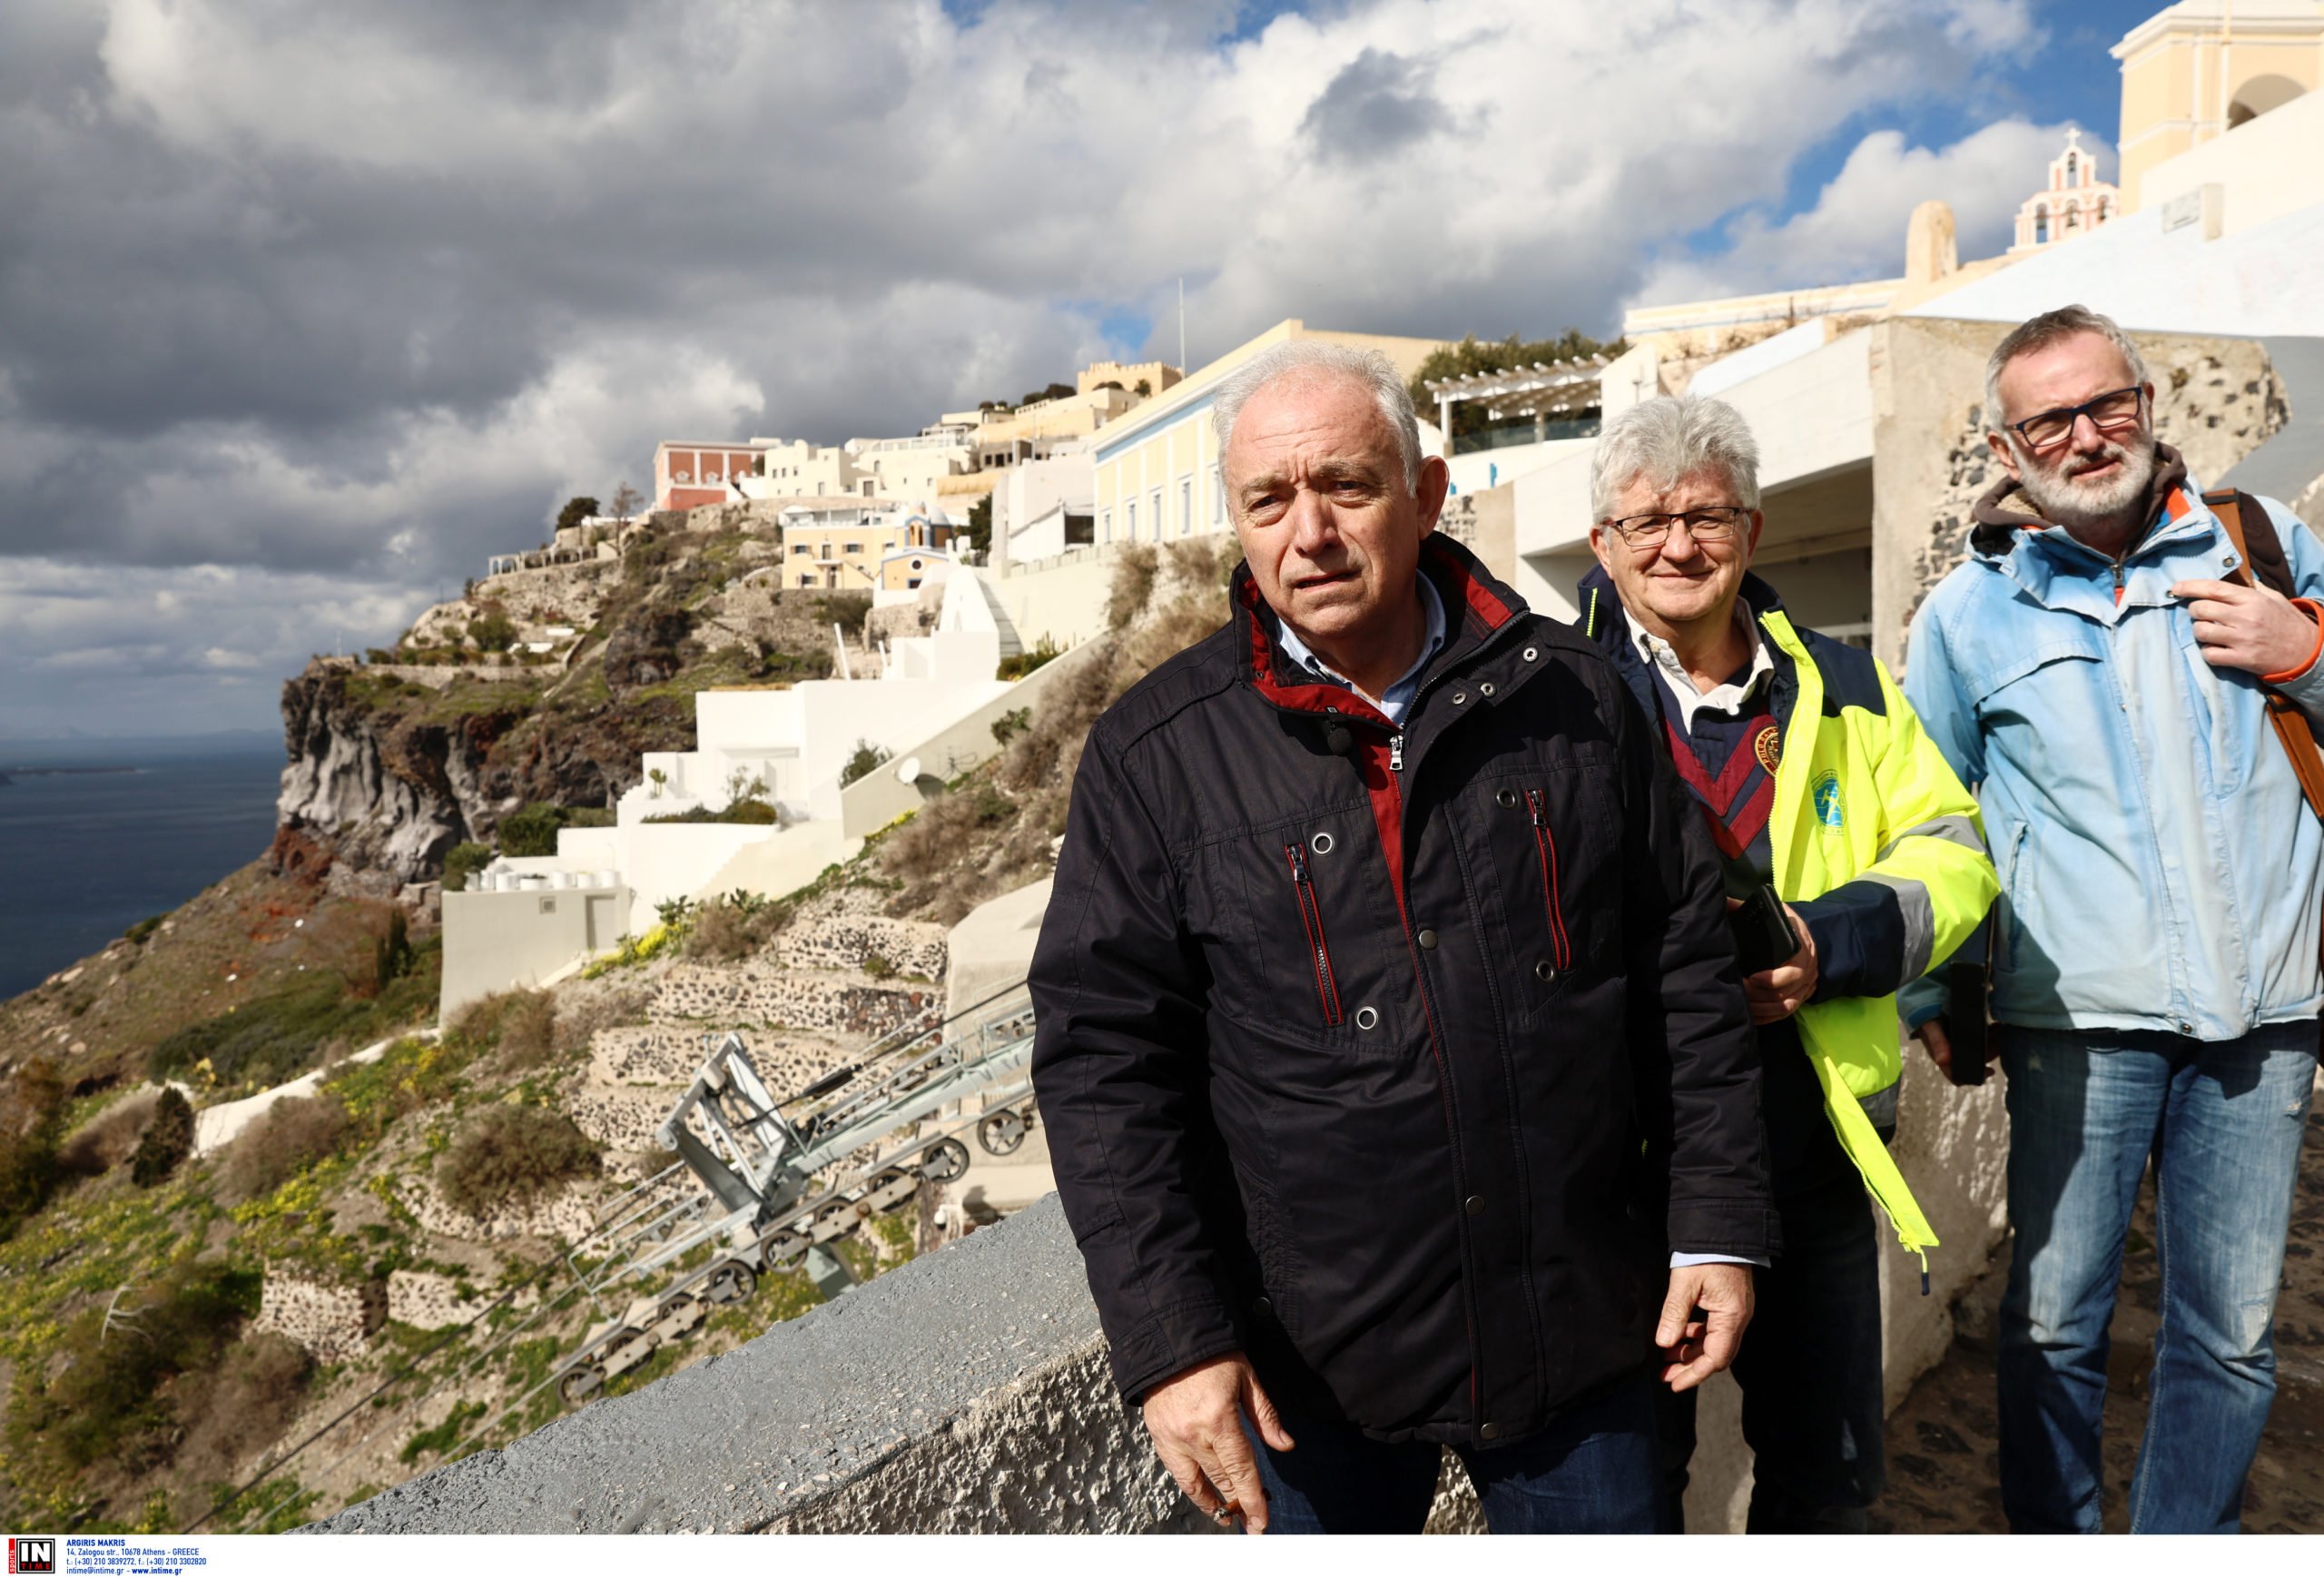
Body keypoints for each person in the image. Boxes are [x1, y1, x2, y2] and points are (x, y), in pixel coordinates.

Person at [1028, 341, 1776, 1535]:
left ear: (1425, 494)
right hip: (1304, 1380)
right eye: (1269, 500)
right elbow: (1105, 1063)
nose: (1308, 532)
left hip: (1578, 1339)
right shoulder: (1154, 755)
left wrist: (1719, 1222)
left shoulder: (1577, 699)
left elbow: (1683, 970)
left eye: (1347, 486)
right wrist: (1174, 1343)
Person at [1903, 304, 2324, 1534]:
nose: (2089, 435)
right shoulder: (1967, 616)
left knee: (2234, 1332)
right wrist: (1929, 989)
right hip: (2076, 1026)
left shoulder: (2267, 545)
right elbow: (1928, 812)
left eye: (2108, 403)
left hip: (2265, 1018)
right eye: (2052, 419)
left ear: (2148, 401)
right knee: (2051, 1322)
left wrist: (2305, 652)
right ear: (2006, 445)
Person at [1576, 395, 1997, 1532]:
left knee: (1829, 1478)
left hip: (1812, 1154)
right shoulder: (1548, 705)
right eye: (1648, 520)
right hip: (1620, 1177)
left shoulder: (1848, 683)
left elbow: (1954, 852)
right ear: (1602, 544)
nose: (1678, 544)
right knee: (1623, 1503)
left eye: (1706, 516)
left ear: (1752, 532)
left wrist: (1835, 942)